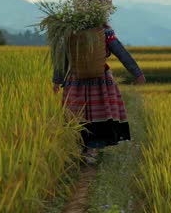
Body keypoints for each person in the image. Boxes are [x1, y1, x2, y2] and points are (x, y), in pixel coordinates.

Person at [53, 23, 145, 164]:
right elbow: (121, 53)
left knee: (77, 114)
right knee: (97, 115)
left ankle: (88, 149)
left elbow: (62, 58)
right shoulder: (105, 32)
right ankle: (90, 149)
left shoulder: (70, 31)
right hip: (99, 80)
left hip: (76, 79)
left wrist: (57, 81)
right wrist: (137, 73)